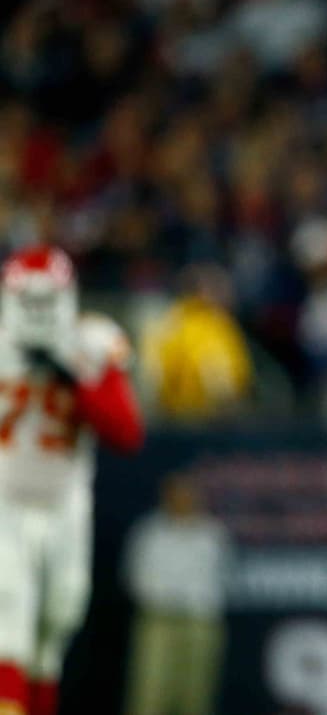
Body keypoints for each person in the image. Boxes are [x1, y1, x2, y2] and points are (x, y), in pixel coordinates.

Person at [0, 244, 146, 715]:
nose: (38, 312)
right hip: (5, 501)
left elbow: (126, 433)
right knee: (9, 622)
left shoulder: (91, 342)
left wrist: (75, 374)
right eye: (29, 301)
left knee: (56, 626)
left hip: (66, 504)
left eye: (47, 300)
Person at [122, 471, 233, 715]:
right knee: (149, 694)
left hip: (200, 624)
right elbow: (134, 577)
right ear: (166, 497)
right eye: (178, 494)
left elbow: (225, 577)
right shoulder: (149, 532)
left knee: (196, 697)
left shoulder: (213, 534)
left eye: (189, 494)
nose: (183, 499)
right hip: (158, 622)